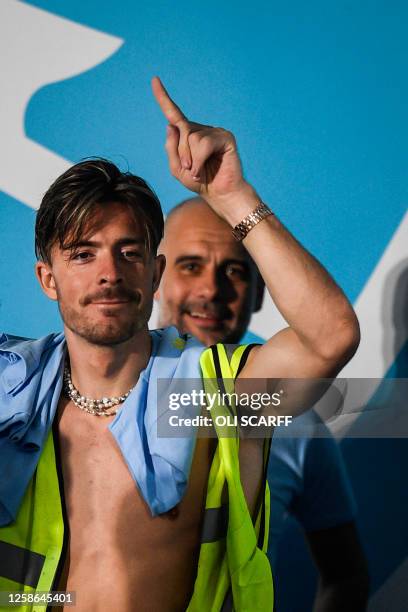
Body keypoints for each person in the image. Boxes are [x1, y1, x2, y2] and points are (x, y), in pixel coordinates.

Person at [0, 78, 360, 612]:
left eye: (129, 253)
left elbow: (331, 337)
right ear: (47, 279)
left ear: (154, 273)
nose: (109, 274)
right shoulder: (12, 391)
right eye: (83, 254)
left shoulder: (223, 396)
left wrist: (233, 196)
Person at [156, 197, 370, 611]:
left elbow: (347, 575)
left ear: (258, 295)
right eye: (190, 265)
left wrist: (234, 194)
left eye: (234, 271)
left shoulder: (301, 424)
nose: (210, 290)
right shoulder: (88, 391)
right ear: (155, 275)